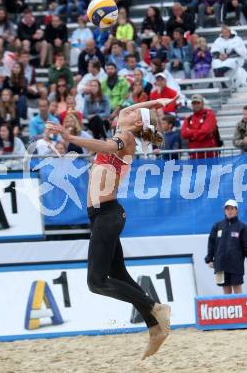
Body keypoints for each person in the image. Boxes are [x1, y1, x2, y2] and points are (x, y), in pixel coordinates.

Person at [46, 97, 173, 361]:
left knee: (96, 281)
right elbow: (132, 110)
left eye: (130, 113)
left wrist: (72, 136)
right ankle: (154, 329)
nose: (123, 112)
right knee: (120, 276)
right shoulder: (126, 128)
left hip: (109, 214)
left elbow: (104, 144)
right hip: (103, 216)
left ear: (136, 122)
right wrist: (160, 101)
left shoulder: (126, 138)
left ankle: (154, 307)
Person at [205, 199, 247, 294]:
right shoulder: (217, 226)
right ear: (224, 211)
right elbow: (211, 243)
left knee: (237, 288)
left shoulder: (242, 227)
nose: (229, 211)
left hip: (236, 264)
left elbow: (246, 245)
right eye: (227, 209)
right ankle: (228, 308)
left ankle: (240, 308)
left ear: (236, 210)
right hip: (220, 264)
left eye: (232, 208)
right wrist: (210, 259)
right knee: (225, 289)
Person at [181, 94, 218, 159]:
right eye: (194, 103)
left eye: (198, 103)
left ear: (202, 104)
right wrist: (199, 132)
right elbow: (183, 133)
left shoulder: (209, 114)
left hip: (209, 153)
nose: (196, 105)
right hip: (194, 155)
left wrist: (191, 133)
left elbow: (205, 131)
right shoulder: (189, 118)